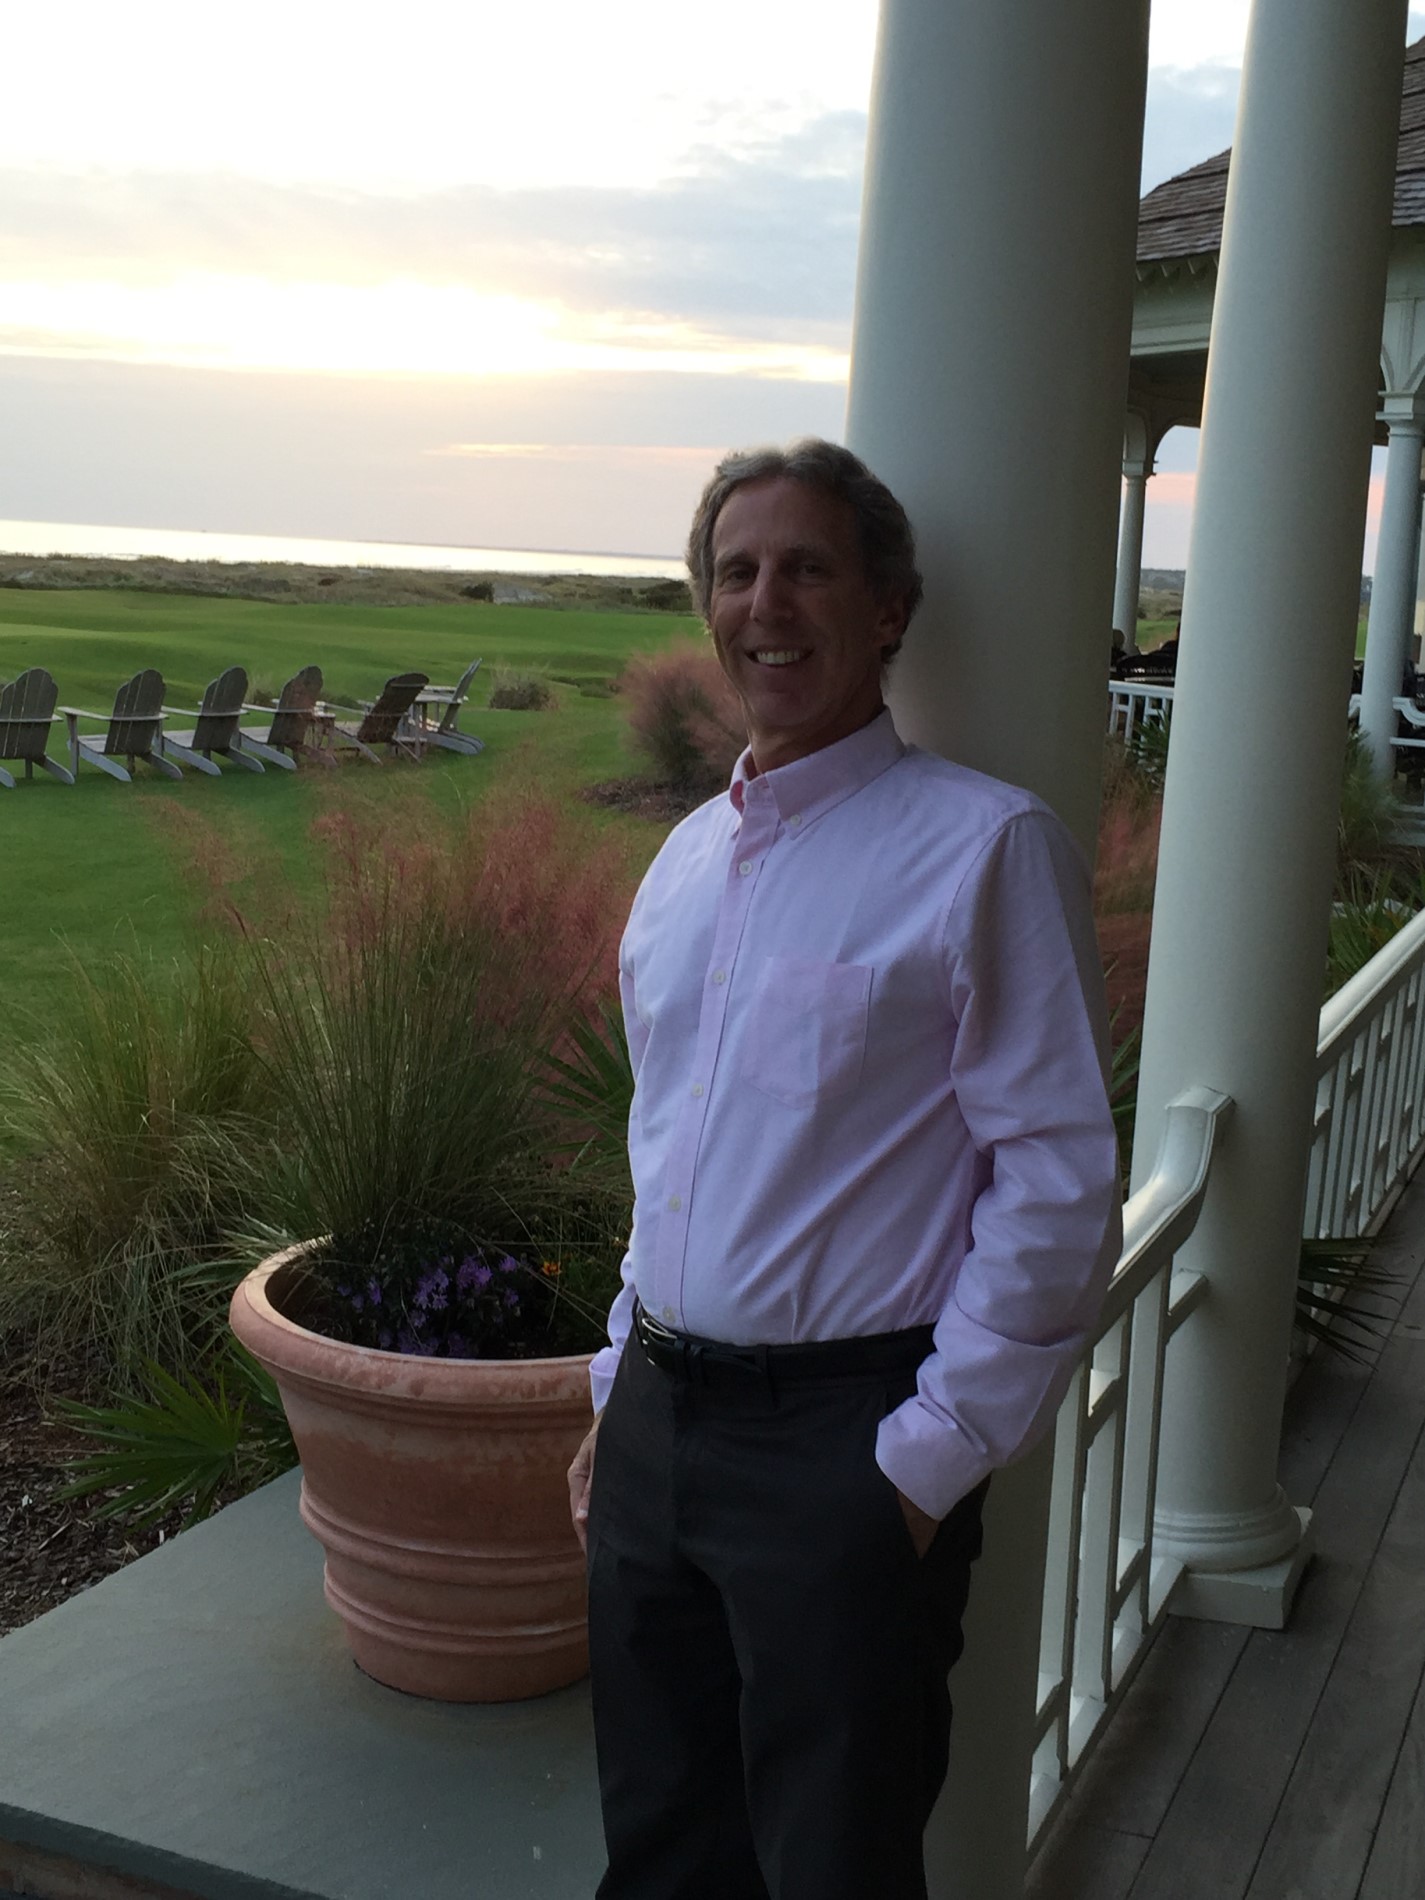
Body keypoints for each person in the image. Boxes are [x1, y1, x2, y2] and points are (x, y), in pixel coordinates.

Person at [567, 438, 1122, 1900]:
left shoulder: (983, 849)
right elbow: (668, 1150)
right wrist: (618, 1386)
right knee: (661, 1852)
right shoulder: (683, 866)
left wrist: (923, 1464)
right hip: (656, 1432)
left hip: (843, 1449)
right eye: (735, 572)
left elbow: (1058, 1180)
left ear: (886, 609)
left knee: (836, 1868)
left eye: (806, 567)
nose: (765, 603)